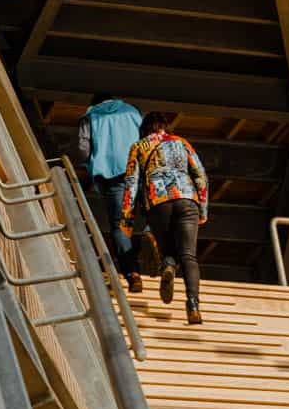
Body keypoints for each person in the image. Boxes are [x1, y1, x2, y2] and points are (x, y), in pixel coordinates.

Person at [120, 112, 208, 322]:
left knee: (167, 247)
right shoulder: (181, 142)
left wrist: (127, 219)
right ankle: (193, 304)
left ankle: (168, 265)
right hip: (188, 198)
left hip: (158, 201)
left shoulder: (139, 147)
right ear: (164, 126)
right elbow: (200, 175)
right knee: (188, 255)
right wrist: (203, 209)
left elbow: (131, 184)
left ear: (145, 129)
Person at [78, 95, 143, 287]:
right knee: (148, 216)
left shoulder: (90, 116)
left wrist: (89, 167)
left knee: (119, 225)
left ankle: (132, 273)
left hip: (111, 176)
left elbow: (83, 148)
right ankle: (161, 253)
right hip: (137, 172)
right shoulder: (133, 112)